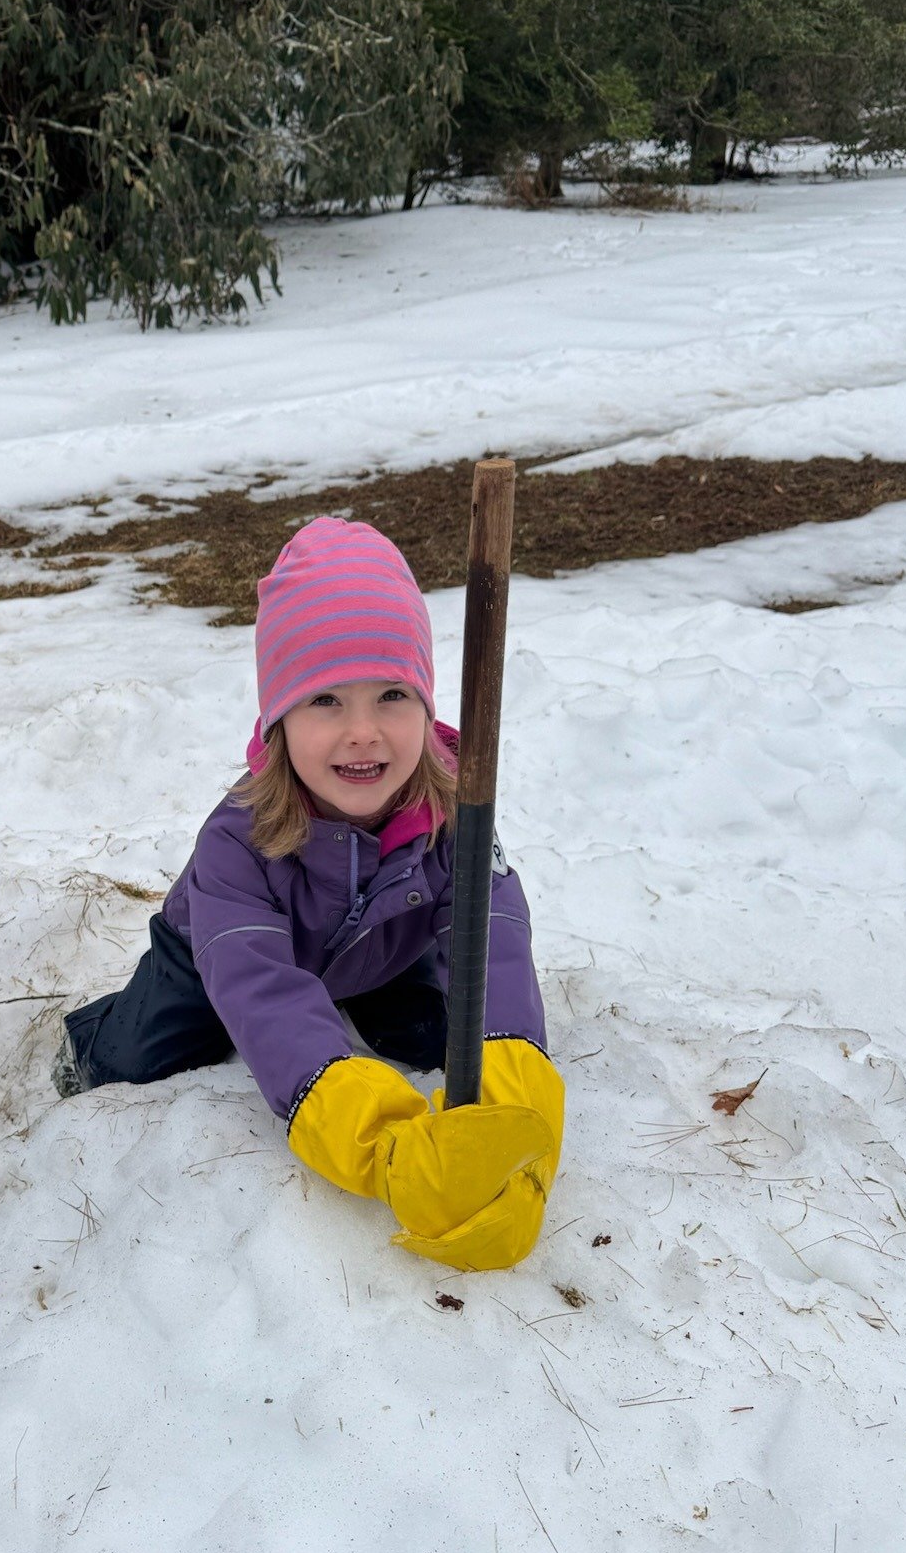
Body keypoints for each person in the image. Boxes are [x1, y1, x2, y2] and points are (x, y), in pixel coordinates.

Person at [55, 517, 563, 1272]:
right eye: (325, 699)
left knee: (442, 1048)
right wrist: (384, 1146)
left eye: (392, 693)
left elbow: (494, 941)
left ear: (427, 708)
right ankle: (93, 1036)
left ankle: (358, 1009)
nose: (363, 732)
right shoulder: (237, 838)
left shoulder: (457, 811)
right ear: (278, 720)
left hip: (381, 957)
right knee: (134, 1058)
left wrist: (518, 1111)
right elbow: (262, 993)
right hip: (216, 963)